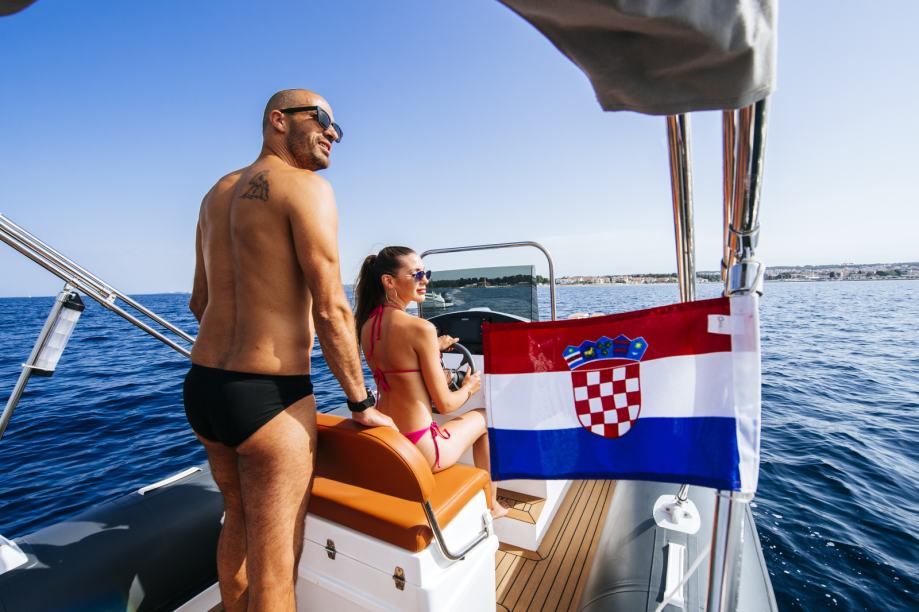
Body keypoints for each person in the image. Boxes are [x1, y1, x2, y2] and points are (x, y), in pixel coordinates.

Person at [183, 89, 395, 612]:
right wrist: (361, 403)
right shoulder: (306, 188)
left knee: (237, 518)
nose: (333, 133)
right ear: (279, 120)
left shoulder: (215, 195)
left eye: (337, 128)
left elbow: (199, 302)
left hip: (204, 387)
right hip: (270, 396)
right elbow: (332, 308)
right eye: (322, 119)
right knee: (276, 570)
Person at [354, 246, 508, 518]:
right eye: (416, 274)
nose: (424, 279)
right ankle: (492, 506)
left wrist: (433, 347)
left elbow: (399, 366)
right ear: (389, 281)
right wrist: (468, 387)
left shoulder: (367, 326)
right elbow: (446, 404)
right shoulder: (421, 328)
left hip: (392, 444)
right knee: (486, 419)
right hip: (423, 450)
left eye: (426, 273)